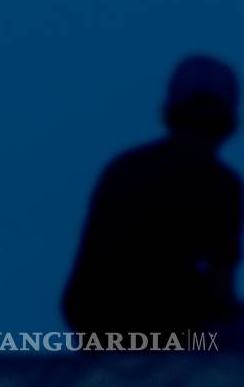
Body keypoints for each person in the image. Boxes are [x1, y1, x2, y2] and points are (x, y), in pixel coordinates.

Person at [63, 55, 243, 337]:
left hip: (101, 330)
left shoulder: (124, 169)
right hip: (163, 337)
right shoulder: (220, 185)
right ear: (229, 123)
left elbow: (82, 300)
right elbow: (221, 293)